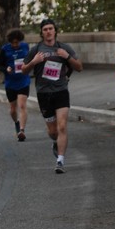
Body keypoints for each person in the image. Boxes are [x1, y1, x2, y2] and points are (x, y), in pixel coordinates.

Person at [22, 18, 83, 173]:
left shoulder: (64, 48)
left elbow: (79, 67)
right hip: (44, 93)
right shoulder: (36, 50)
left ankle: (60, 161)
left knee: (62, 126)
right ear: (42, 33)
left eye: (51, 28)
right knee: (53, 131)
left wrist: (67, 57)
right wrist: (34, 62)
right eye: (45, 29)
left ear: (55, 31)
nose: (48, 31)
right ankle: (55, 142)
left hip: (61, 91)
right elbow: (23, 70)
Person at [0, 29, 30, 141]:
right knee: (12, 109)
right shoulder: (5, 49)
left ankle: (22, 130)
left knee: (22, 105)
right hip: (10, 83)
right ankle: (16, 122)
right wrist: (6, 69)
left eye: (17, 42)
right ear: (10, 42)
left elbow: (30, 60)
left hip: (23, 80)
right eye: (13, 43)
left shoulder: (26, 47)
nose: (15, 45)